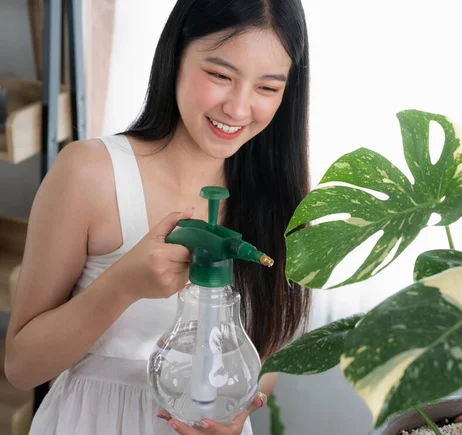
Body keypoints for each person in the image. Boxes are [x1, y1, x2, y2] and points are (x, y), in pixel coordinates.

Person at [4, 0, 312, 433]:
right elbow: (22, 366)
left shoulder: (281, 197)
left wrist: (240, 408)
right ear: (176, 55)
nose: (239, 109)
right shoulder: (89, 173)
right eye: (221, 76)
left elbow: (268, 348)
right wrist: (121, 286)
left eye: (267, 88)